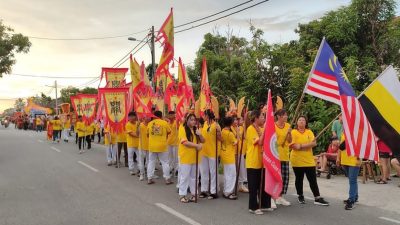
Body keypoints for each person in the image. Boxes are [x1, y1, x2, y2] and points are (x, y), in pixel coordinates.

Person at [289, 116, 329, 206]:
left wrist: (301, 146)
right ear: (297, 122)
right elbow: (294, 146)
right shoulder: (293, 132)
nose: (302, 121)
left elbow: (314, 143)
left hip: (309, 159)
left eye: (303, 120)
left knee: (312, 179)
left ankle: (317, 197)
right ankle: (300, 195)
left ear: (306, 122)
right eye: (299, 120)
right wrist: (307, 145)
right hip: (297, 159)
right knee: (299, 179)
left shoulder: (309, 132)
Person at [246, 110, 272, 215]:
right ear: (256, 118)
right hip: (253, 161)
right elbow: (260, 142)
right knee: (253, 186)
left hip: (263, 161)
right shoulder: (250, 129)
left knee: (263, 185)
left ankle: (265, 204)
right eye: (262, 117)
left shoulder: (261, 128)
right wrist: (265, 131)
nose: (264, 119)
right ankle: (253, 207)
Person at [178, 113, 204, 203]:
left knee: (195, 177)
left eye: (194, 120)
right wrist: (197, 146)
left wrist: (200, 134)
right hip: (186, 157)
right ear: (187, 120)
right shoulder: (182, 129)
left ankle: (194, 194)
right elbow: (184, 142)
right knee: (184, 176)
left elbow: (203, 140)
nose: (193, 121)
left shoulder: (196, 129)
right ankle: (182, 195)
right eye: (191, 119)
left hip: (196, 157)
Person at [200, 109, 222, 200]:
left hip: (213, 152)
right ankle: (204, 190)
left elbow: (221, 139)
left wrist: (218, 132)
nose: (202, 117)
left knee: (213, 172)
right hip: (204, 151)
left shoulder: (216, 125)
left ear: (208, 116)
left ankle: (214, 191)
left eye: (204, 115)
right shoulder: (204, 124)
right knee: (204, 172)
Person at [147, 111, 172, 185]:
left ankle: (149, 178)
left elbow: (148, 134)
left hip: (152, 146)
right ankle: (167, 179)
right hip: (162, 146)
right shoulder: (164, 123)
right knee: (165, 162)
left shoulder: (150, 123)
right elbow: (169, 132)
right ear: (161, 116)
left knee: (151, 162)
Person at [337, 135, 360, 210]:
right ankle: (355, 197)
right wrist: (338, 158)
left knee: (352, 180)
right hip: (345, 160)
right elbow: (340, 147)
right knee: (352, 180)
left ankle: (351, 200)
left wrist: (359, 159)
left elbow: (360, 146)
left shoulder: (356, 131)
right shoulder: (344, 132)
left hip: (354, 160)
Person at [274, 109, 292, 206]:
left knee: (284, 178)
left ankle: (280, 197)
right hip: (275, 155)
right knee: (275, 177)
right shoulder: (273, 126)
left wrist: (289, 133)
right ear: (279, 116)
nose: (286, 117)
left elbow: (290, 141)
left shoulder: (288, 126)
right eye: (285, 115)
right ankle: (273, 197)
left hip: (285, 155)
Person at [221, 117, 238, 200]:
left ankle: (225, 190)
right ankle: (228, 192)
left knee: (227, 174)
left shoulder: (222, 130)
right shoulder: (230, 134)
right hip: (229, 155)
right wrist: (237, 137)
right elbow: (235, 142)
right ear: (231, 123)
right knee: (232, 174)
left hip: (224, 153)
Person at [232, 116, 249, 193]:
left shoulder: (241, 127)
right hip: (233, 150)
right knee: (235, 168)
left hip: (240, 150)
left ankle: (241, 184)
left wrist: (243, 128)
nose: (237, 121)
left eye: (237, 119)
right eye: (236, 119)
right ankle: (235, 184)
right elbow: (236, 136)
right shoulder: (231, 128)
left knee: (241, 167)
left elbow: (244, 137)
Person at [138, 116, 151, 181]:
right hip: (142, 146)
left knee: (149, 162)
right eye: (147, 117)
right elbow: (137, 134)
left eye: (149, 117)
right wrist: (138, 126)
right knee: (141, 161)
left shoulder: (151, 124)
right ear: (143, 118)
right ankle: (141, 174)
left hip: (149, 146)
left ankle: (149, 175)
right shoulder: (140, 125)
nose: (148, 118)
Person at [167, 111, 179, 177]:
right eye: (170, 115)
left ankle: (176, 170)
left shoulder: (176, 123)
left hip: (176, 143)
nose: (171, 116)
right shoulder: (168, 123)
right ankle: (170, 169)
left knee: (176, 158)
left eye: (172, 115)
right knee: (170, 158)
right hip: (169, 143)